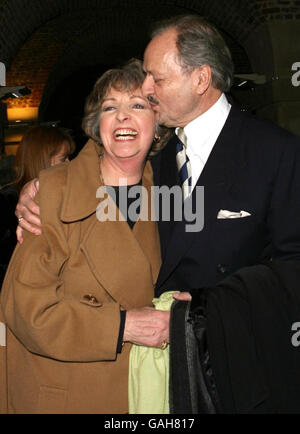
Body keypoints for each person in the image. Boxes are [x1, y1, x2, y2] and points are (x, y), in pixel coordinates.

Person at [13, 15, 300, 413]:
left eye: (155, 80)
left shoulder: (277, 152)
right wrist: (45, 183)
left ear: (201, 80)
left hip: (232, 370)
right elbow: (111, 149)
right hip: (151, 378)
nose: (146, 90)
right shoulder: (156, 160)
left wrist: (207, 309)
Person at [0, 60, 170, 414]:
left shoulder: (172, 191)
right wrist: (122, 325)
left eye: (137, 105)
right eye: (111, 108)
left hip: (140, 393)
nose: (123, 116)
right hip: (66, 393)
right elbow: (24, 309)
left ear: (157, 125)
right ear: (98, 126)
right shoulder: (56, 191)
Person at [0, 125, 75, 287]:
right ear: (42, 159)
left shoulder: (65, 194)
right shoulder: (9, 201)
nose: (70, 164)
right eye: (63, 159)